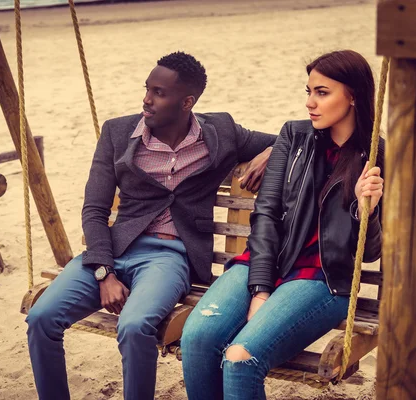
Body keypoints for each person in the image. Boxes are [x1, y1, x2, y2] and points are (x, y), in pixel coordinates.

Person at [25, 51, 277, 400]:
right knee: (41, 318)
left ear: (187, 102)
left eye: (159, 92)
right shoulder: (117, 133)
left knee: (134, 325)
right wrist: (104, 273)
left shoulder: (220, 131)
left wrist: (270, 152)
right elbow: (94, 209)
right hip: (112, 251)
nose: (147, 99)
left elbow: (293, 137)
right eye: (147, 89)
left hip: (170, 257)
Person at [180, 50, 385, 400]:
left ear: (351, 96)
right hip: (264, 264)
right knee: (196, 339)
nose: (310, 102)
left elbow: (370, 252)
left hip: (321, 280)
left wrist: (366, 210)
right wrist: (261, 288)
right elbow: (266, 216)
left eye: (322, 92)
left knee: (241, 358)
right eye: (308, 92)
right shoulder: (292, 136)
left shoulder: (374, 153)